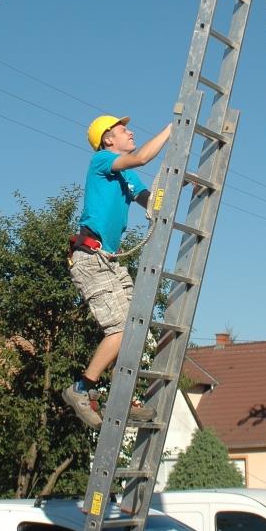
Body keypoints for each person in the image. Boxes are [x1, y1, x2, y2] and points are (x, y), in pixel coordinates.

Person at [62, 114, 171, 428]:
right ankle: (80, 389)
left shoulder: (126, 177)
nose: (131, 131)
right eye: (124, 129)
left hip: (108, 261)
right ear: (108, 139)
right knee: (121, 327)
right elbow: (142, 157)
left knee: (134, 327)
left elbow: (150, 201)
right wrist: (173, 130)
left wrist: (170, 190)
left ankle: (122, 398)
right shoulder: (102, 160)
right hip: (90, 259)